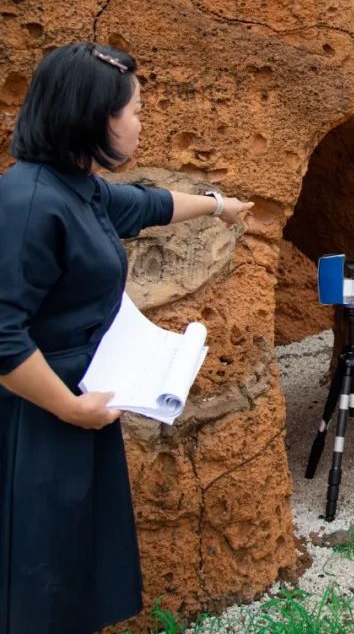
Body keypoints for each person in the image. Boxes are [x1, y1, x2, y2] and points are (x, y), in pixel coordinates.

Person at [0, 42, 253, 633]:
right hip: (37, 417)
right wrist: (70, 408)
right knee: (37, 573)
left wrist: (218, 206)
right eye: (134, 110)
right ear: (94, 116)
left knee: (72, 566)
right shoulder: (29, 202)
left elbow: (144, 204)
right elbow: (3, 336)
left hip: (81, 402)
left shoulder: (74, 186)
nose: (142, 122)